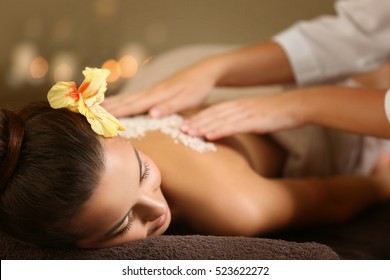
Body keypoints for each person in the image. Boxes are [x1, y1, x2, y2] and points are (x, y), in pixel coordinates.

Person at [1, 67, 390, 249]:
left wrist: (380, 181)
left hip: (305, 123)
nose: (156, 208)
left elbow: (333, 199)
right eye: (122, 224)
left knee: (368, 82)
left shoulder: (236, 206)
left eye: (143, 170)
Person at [103, 0, 390, 140]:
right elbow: (361, 33)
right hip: (172, 68)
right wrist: (214, 69)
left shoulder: (239, 205)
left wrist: (301, 105)